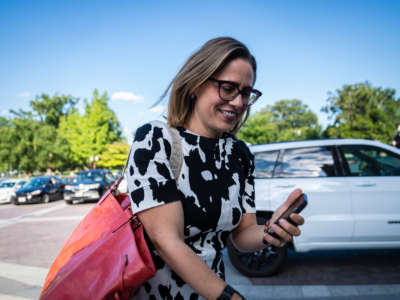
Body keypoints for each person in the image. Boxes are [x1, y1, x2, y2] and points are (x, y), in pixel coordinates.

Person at [127, 37, 305, 300]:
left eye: (246, 92)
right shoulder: (155, 140)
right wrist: (231, 298)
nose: (238, 102)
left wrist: (270, 230)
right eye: (228, 88)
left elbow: (241, 236)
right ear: (196, 83)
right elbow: (167, 243)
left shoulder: (241, 154)